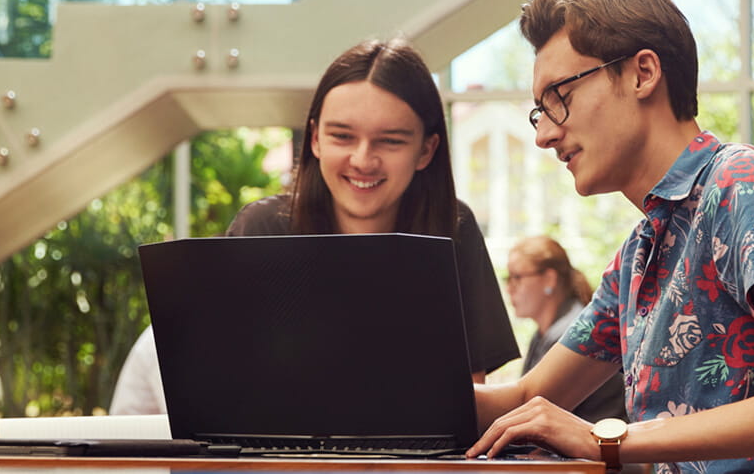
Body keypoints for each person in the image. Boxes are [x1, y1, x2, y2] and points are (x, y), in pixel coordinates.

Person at [465, 0, 754, 473]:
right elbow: (527, 395)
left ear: (643, 73)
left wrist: (607, 440)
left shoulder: (744, 187)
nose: (544, 134)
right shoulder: (640, 253)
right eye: (542, 109)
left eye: (562, 96)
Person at [111, 39, 520, 415]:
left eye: (390, 141)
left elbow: (465, 398)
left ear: (426, 149)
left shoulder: (453, 227)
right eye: (342, 136)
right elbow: (223, 391)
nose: (363, 159)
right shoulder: (263, 229)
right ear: (315, 139)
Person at [504, 236, 623, 423]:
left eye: (516, 277)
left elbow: (529, 411)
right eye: (508, 278)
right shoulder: (546, 333)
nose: (509, 288)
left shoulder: (567, 334)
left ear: (549, 279)